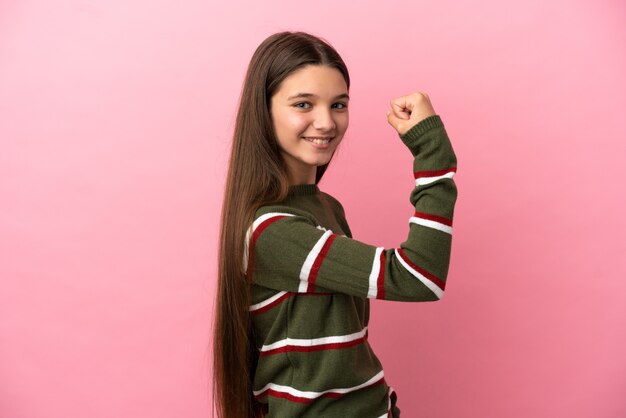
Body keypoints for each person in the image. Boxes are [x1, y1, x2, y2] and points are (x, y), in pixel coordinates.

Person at [213, 30, 458, 418]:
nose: (326, 122)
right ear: (263, 110)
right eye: (303, 104)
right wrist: (433, 155)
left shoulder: (325, 208)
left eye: (339, 104)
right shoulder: (271, 231)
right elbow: (418, 277)